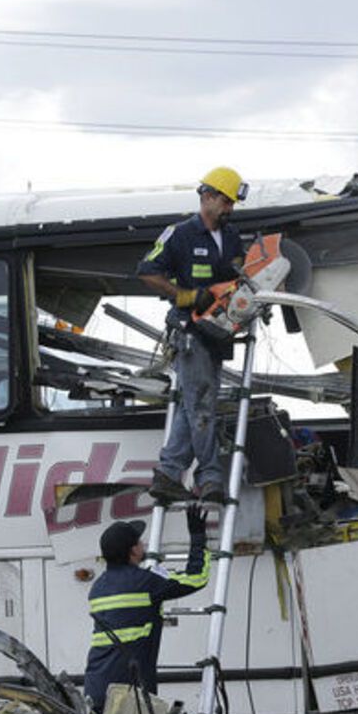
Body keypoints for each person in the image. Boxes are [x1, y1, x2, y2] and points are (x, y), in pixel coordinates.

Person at [138, 166, 249, 504]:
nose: (230, 209)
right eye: (226, 202)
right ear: (207, 197)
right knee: (201, 406)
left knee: (195, 405)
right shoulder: (180, 234)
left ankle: (169, 473)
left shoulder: (231, 237)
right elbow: (147, 272)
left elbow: (241, 275)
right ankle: (210, 477)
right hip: (189, 332)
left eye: (232, 203)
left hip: (217, 332)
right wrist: (184, 296)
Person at [83, 505, 211, 714]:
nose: (143, 544)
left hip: (96, 688)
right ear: (134, 550)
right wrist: (198, 538)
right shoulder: (146, 583)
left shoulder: (97, 588)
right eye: (140, 541)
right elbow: (197, 578)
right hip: (130, 692)